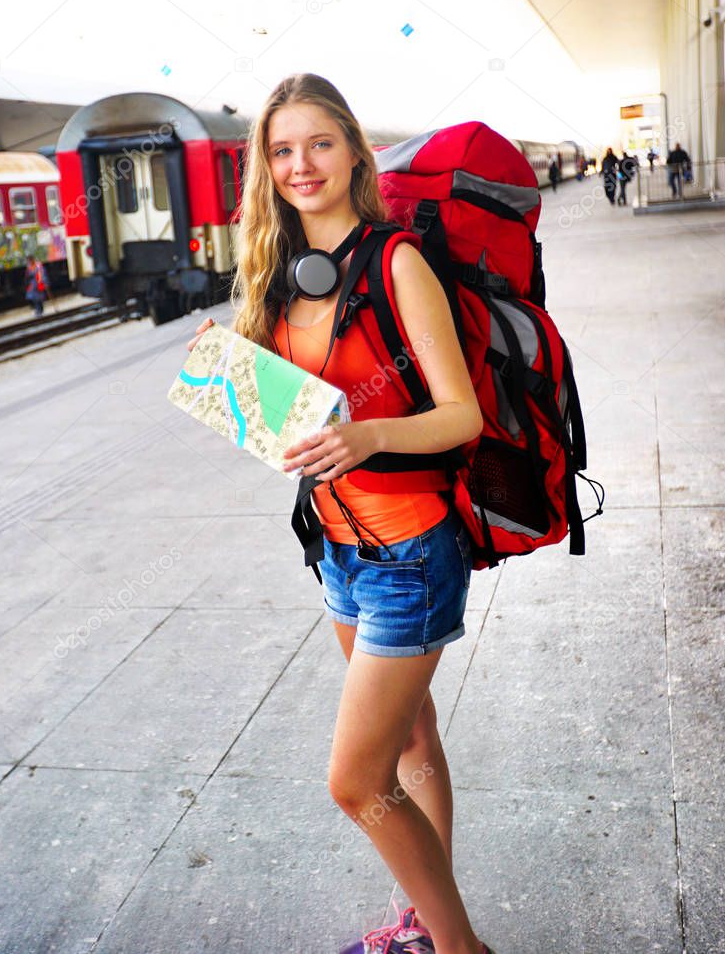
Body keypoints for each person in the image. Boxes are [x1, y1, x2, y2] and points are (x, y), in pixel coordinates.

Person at [186, 73, 491, 954]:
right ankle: (429, 924)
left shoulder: (396, 261)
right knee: (411, 740)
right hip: (339, 556)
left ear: (354, 150)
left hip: (408, 553)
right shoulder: (274, 276)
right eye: (281, 149)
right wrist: (228, 380)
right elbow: (286, 416)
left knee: (355, 782)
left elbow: (459, 413)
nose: (300, 164)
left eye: (319, 143)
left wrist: (366, 436)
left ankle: (462, 948)